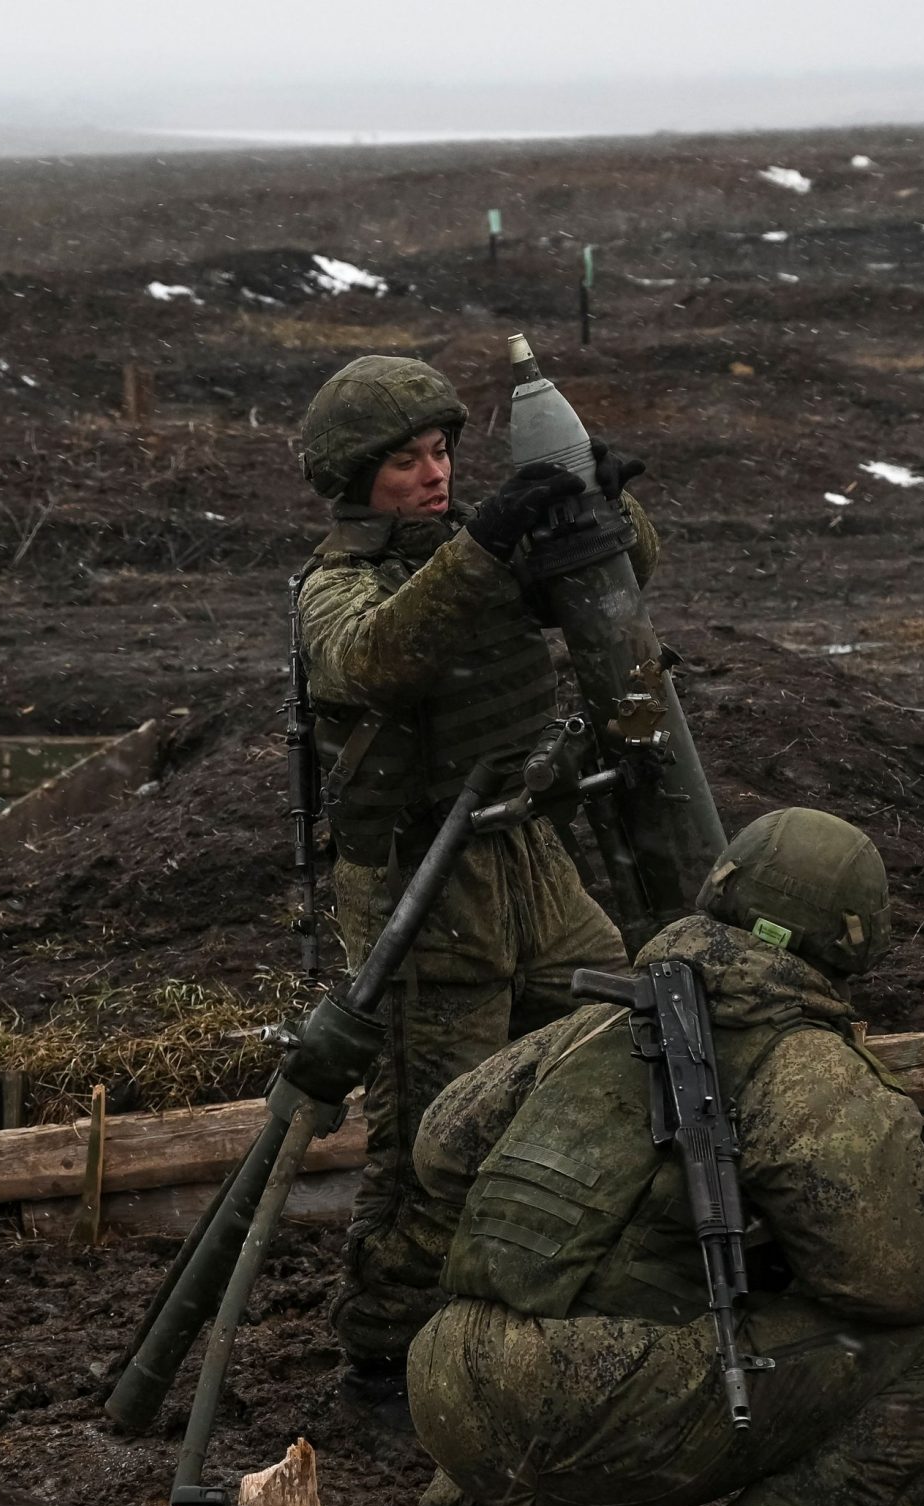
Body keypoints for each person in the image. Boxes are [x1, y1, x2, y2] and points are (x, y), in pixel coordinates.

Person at [402, 807, 924, 1506]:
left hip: (446, 1382)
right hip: (592, 1415)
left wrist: (599, 1216)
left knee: (575, 1294)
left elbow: (441, 1147)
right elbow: (905, 1275)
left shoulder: (604, 1015)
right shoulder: (805, 1065)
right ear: (853, 939)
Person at [293, 354, 662, 1410]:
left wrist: (606, 504)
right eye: (405, 460)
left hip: (522, 854)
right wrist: (493, 544)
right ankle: (381, 1354)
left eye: (443, 453)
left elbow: (621, 581)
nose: (433, 475)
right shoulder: (338, 584)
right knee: (427, 1136)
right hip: (422, 881)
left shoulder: (470, 555)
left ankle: (551, 1270)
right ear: (355, 477)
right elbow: (373, 658)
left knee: (621, 1035)